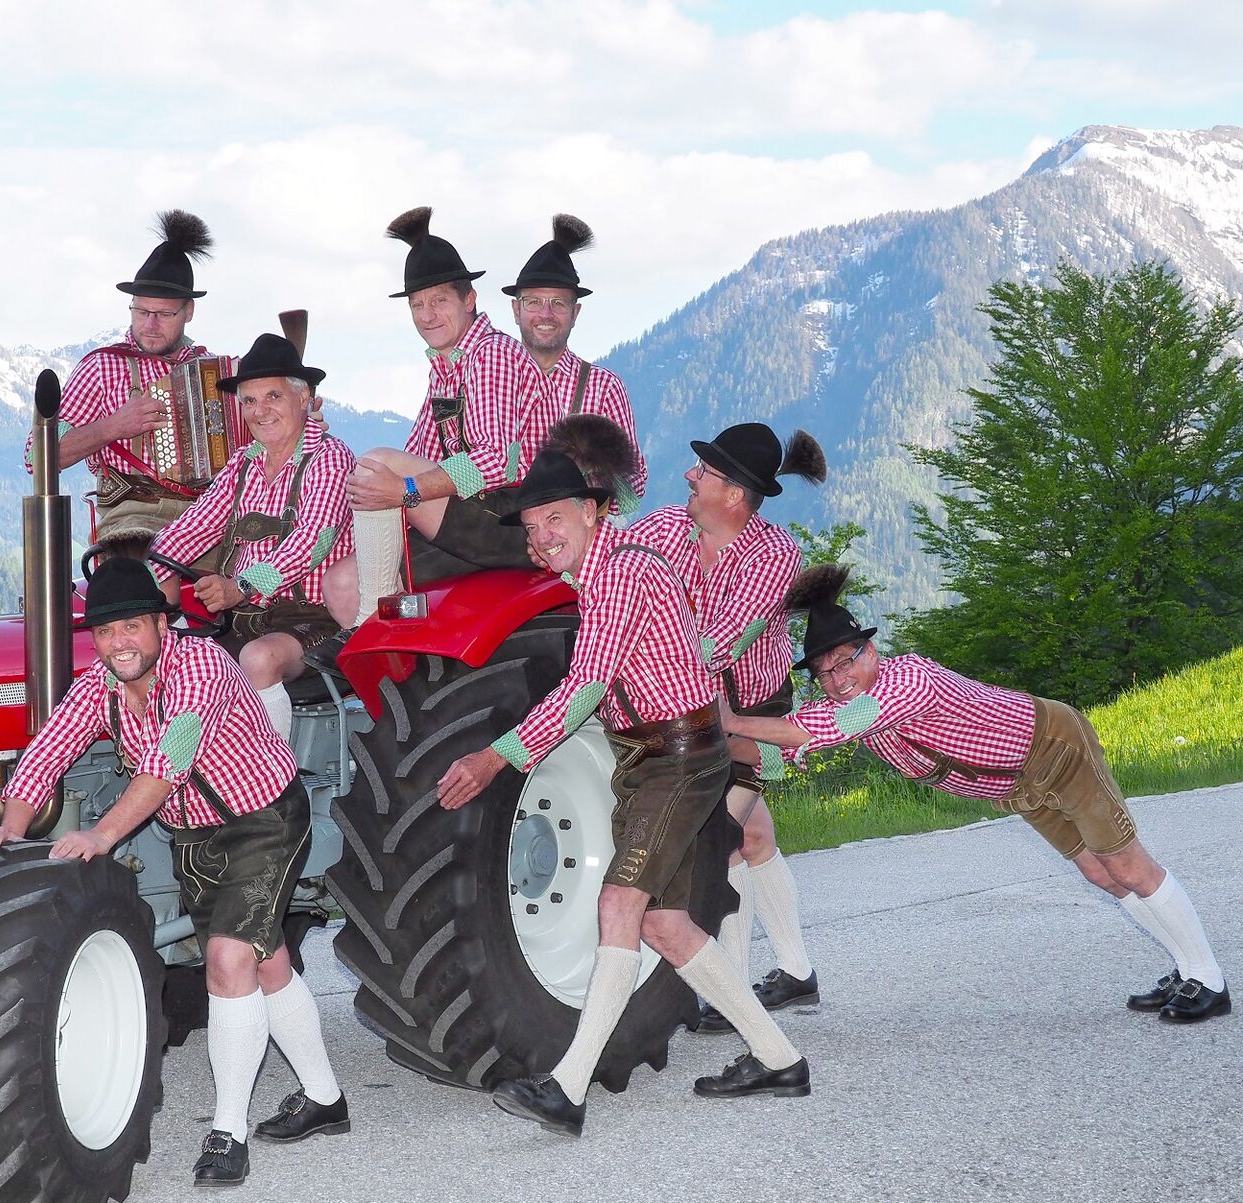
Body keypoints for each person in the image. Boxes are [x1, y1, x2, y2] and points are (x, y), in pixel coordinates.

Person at [434, 429, 812, 1138]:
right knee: (665, 925)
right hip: (655, 756)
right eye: (531, 526)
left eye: (555, 518)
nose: (542, 537)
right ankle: (779, 1058)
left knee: (619, 903)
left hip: (678, 757)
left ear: (592, 511)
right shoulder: (615, 560)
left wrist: (496, 757)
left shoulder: (620, 574)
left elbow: (585, 687)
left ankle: (567, 1089)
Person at [723, 563, 1230, 1024]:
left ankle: (1208, 979)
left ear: (870, 650)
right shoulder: (853, 706)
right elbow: (778, 751)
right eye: (824, 673)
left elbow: (817, 729)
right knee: (1099, 873)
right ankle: (1185, 967)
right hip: (1017, 784)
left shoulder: (907, 681)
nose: (837, 680)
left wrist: (734, 719)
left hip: (1054, 749)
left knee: (1126, 866)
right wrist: (713, 737)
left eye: (844, 662)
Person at [0, 559, 349, 1186]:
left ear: (160, 623)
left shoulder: (201, 667)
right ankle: (325, 1099)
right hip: (195, 834)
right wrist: (11, 827)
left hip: (264, 819)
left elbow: (165, 763)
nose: (117, 642)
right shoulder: (101, 684)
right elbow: (47, 751)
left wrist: (100, 835)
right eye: (104, 631)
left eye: (130, 626)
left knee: (228, 960)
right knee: (266, 962)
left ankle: (227, 1133)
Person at [624, 423, 827, 1026]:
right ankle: (796, 973)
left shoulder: (775, 555)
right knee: (752, 837)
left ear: (734, 494)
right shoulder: (665, 527)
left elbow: (720, 643)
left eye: (704, 471)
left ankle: (728, 991)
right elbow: (611, 569)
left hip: (754, 715)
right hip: (690, 708)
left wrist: (643, 657)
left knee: (724, 837)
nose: (689, 475)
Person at [344, 207, 552, 625]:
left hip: (520, 517)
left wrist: (405, 490)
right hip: (469, 518)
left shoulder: (492, 353)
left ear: (469, 299)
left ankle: (375, 629)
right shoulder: (444, 369)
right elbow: (418, 452)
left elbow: (497, 461)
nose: (427, 315)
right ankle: (399, 646)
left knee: (377, 465)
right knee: (341, 582)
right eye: (417, 304)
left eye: (439, 300)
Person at [147, 332, 356, 743]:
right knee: (175, 661)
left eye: (272, 397)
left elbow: (312, 543)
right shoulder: (243, 464)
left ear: (303, 397)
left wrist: (240, 586)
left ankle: (272, 774)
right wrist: (148, 571)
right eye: (248, 401)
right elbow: (191, 529)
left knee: (259, 659)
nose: (260, 411)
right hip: (243, 618)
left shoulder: (330, 458)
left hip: (311, 618)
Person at [32, 209, 234, 557]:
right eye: (141, 312)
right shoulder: (102, 366)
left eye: (164, 314)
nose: (150, 324)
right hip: (131, 516)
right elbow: (37, 457)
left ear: (189, 312)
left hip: (207, 518)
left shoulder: (215, 373)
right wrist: (113, 426)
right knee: (145, 567)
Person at [505, 213, 644, 502]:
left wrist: (586, 478)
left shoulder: (603, 387)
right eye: (534, 302)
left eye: (558, 303)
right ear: (516, 311)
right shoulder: (485, 379)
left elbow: (634, 489)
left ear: (575, 313)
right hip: (490, 527)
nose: (545, 314)